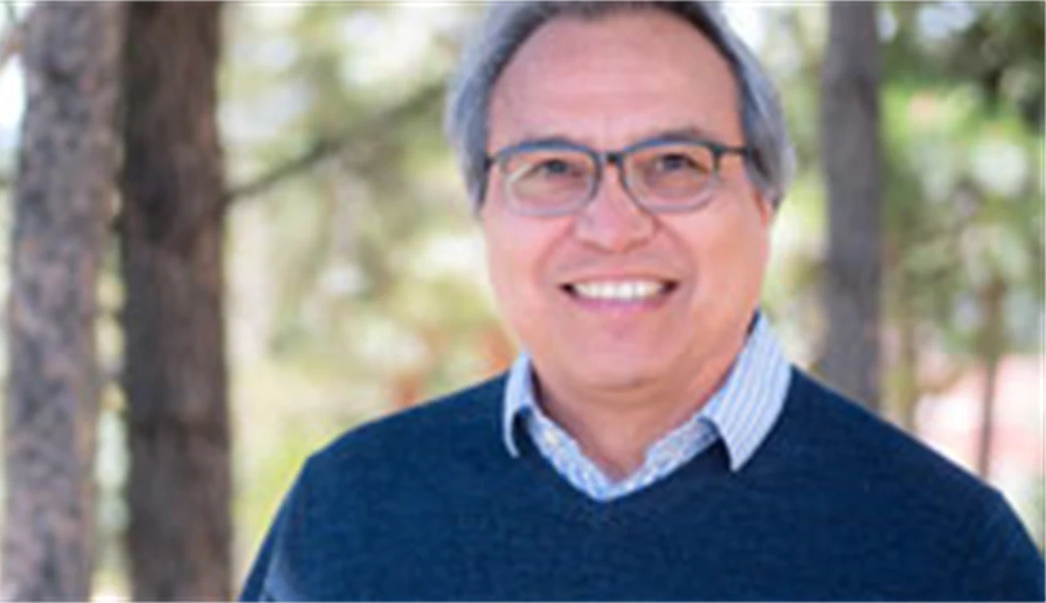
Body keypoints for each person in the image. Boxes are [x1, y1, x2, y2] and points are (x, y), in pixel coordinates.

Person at [240, 1, 1046, 601]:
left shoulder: (950, 555)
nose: (614, 225)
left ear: (764, 201)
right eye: (551, 167)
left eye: (674, 163)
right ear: (484, 208)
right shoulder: (346, 515)